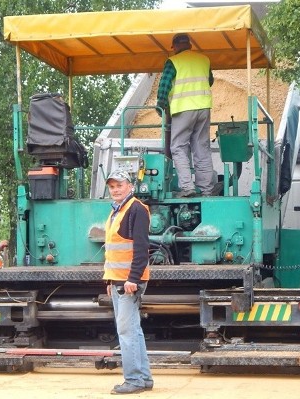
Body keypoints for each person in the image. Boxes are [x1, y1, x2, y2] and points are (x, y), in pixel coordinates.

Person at [103, 170, 153, 395]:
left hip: (128, 282)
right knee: (133, 330)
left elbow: (141, 248)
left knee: (126, 332)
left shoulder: (136, 209)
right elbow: (114, 251)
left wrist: (132, 279)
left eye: (119, 185)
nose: (115, 189)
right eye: (112, 186)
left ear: (130, 186)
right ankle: (143, 378)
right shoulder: (117, 211)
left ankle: (133, 380)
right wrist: (111, 280)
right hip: (119, 280)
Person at [157, 32, 218, 198]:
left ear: (175, 47)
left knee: (178, 147)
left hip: (183, 109)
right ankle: (206, 190)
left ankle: (187, 187)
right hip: (203, 109)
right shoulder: (203, 60)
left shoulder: (173, 62)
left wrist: (161, 107)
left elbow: (163, 87)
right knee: (201, 148)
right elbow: (210, 80)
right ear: (190, 45)